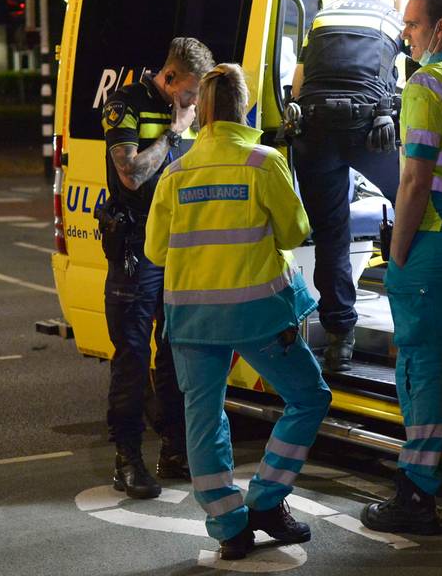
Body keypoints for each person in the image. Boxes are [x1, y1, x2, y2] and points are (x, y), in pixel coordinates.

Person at [145, 64, 330, 561]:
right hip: (258, 315)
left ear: (200, 111)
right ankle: (267, 500)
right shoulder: (263, 162)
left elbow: (157, 252)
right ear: (244, 106)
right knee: (308, 398)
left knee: (202, 417)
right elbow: (294, 233)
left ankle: (228, 526)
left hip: (191, 317)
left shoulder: (176, 171)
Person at [360, 0, 442, 534]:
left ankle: (414, 494)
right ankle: (436, 472)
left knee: (419, 367)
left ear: (439, 28)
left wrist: (397, 252)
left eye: (412, 25)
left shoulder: (426, 84)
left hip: (433, 238)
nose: (405, 34)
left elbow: (413, 181)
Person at [98, 36, 213, 499]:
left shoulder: (189, 111)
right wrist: (173, 130)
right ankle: (127, 459)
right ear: (168, 78)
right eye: (188, 93)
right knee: (131, 355)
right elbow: (131, 174)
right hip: (135, 248)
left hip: (177, 246)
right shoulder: (124, 105)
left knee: (175, 349)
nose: (192, 103)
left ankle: (176, 449)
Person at [290, 0, 405, 372]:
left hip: (314, 129)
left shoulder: (322, 16)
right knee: (412, 209)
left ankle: (340, 338)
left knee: (331, 234)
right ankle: (413, 315)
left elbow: (300, 83)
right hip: (367, 128)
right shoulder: (393, 19)